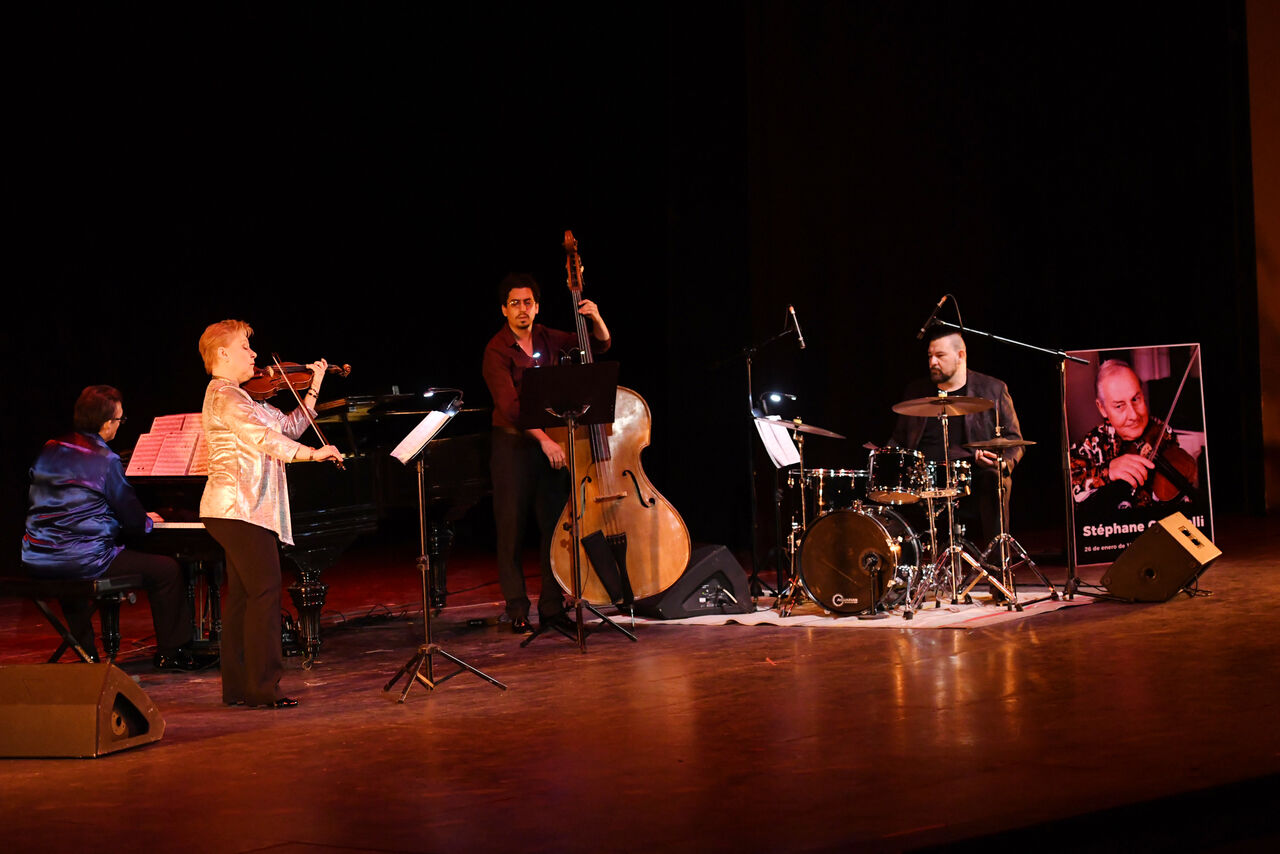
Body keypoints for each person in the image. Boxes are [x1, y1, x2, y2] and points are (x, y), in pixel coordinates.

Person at [197, 320, 342, 709]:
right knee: (264, 592)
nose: (254, 354)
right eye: (245, 347)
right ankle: (263, 687)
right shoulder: (225, 396)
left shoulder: (241, 397)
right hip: (237, 507)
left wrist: (314, 386)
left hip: (241, 509)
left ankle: (239, 688)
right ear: (223, 353)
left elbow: (288, 427)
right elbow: (263, 438)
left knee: (245, 598)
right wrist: (313, 454)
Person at [21, 385, 197, 669]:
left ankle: (85, 652)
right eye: (119, 420)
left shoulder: (49, 448)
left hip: (38, 556)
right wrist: (149, 521)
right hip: (84, 560)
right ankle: (172, 652)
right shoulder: (106, 460)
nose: (119, 425)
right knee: (167, 570)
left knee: (69, 564)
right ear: (106, 423)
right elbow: (132, 519)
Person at [481, 273, 611, 635]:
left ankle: (552, 607)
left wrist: (596, 318)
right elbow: (511, 408)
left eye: (528, 302)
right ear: (504, 310)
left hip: (550, 444)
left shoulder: (547, 337)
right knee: (511, 528)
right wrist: (544, 440)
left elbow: (597, 347)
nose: (522, 309)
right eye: (515, 303)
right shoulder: (496, 350)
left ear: (536, 307)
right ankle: (517, 609)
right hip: (513, 445)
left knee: (555, 528)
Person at [889, 327, 1023, 546]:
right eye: (930, 356)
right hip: (923, 476)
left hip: (971, 475)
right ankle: (903, 561)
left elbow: (1014, 440)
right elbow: (899, 439)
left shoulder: (993, 389)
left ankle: (997, 559)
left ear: (961, 355)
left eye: (940, 356)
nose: (932, 362)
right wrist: (886, 459)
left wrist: (1001, 463)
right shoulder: (916, 391)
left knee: (994, 478)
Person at [1069, 359, 1197, 507]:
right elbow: (1067, 484)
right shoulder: (1092, 444)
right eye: (1119, 406)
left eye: (1136, 399)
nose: (1134, 415)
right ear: (1102, 408)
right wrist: (1108, 471)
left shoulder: (1162, 431)